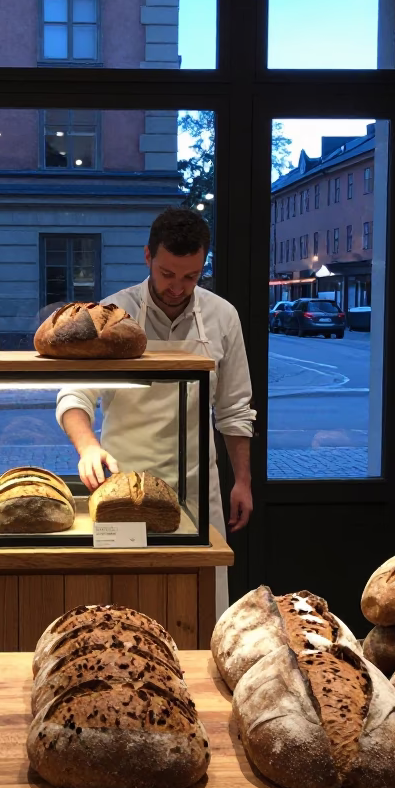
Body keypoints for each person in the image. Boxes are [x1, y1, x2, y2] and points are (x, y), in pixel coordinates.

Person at [55, 207, 256, 611]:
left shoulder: (222, 316)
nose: (178, 287)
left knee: (203, 605)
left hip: (199, 488)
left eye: (191, 276)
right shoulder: (111, 315)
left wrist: (243, 481)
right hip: (122, 486)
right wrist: (88, 448)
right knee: (125, 600)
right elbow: (74, 396)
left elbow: (234, 408)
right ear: (148, 256)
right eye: (168, 274)